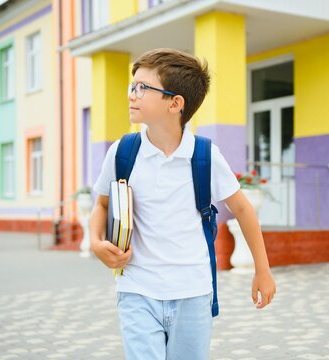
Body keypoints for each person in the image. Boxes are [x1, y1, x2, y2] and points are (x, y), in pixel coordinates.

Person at [89, 48, 276, 360]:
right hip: (137, 290)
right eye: (132, 86)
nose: (132, 95)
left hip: (193, 293)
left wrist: (263, 270)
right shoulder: (123, 152)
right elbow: (102, 205)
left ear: (175, 103)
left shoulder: (204, 155)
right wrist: (96, 243)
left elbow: (243, 209)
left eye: (142, 88)